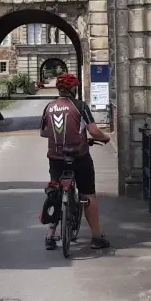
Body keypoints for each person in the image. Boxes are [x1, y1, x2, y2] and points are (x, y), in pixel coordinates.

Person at [38, 73, 111, 250]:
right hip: (79, 156)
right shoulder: (80, 106)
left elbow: (43, 132)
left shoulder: (49, 107)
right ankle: (96, 237)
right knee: (88, 194)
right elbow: (94, 132)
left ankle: (50, 236)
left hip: (56, 158)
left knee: (55, 192)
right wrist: (105, 138)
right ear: (73, 89)